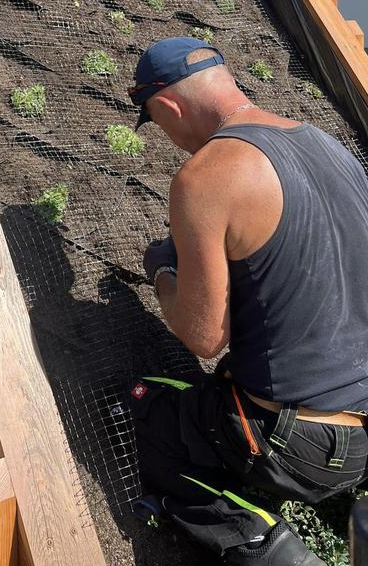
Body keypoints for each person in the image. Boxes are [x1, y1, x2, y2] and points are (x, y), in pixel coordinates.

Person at [127, 36, 368, 565]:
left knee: (148, 409)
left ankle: (265, 545)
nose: (167, 138)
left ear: (167, 107)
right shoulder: (329, 146)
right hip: (360, 438)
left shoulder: (206, 176)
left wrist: (164, 270)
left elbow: (204, 337)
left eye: (158, 123)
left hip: (288, 442)